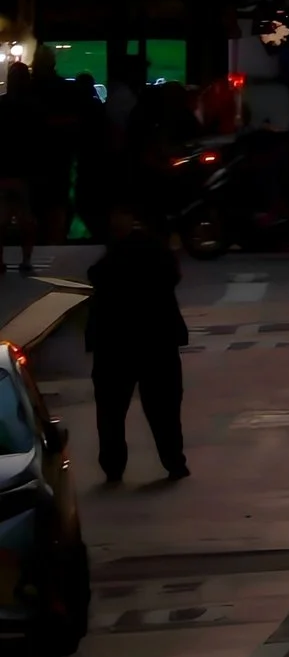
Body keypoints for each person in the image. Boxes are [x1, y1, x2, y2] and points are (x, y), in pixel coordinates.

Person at [83, 204, 189, 484]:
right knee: (163, 407)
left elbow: (98, 278)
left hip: (117, 342)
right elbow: (172, 276)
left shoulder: (116, 257)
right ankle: (173, 460)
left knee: (112, 409)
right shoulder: (154, 250)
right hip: (155, 339)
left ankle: (114, 465)